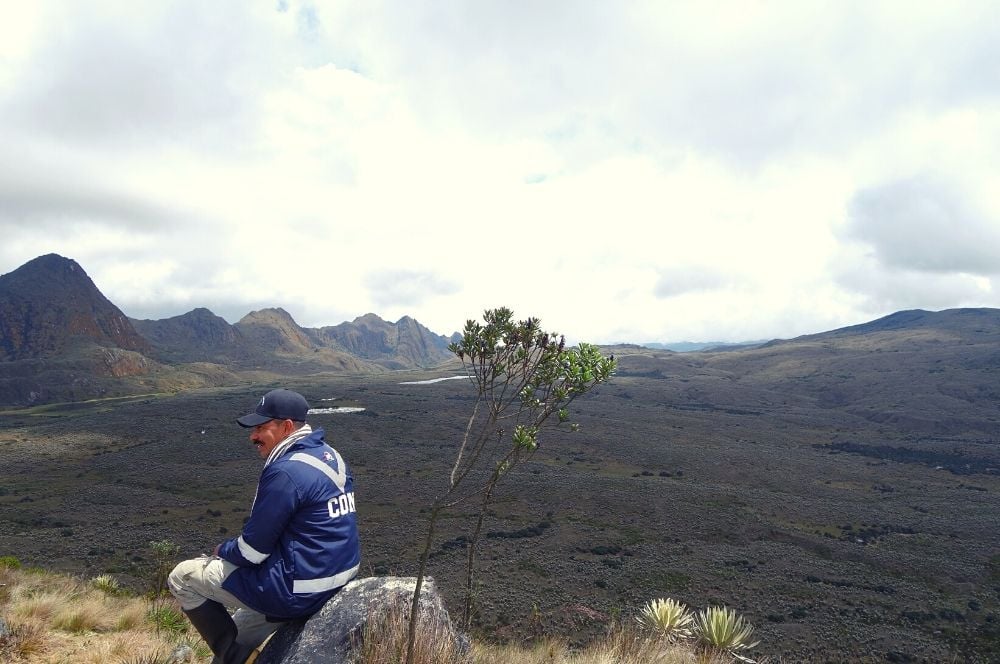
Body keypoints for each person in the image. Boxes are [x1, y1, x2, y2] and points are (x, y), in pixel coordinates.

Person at [168, 389, 360, 664]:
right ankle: (235, 652)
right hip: (334, 579)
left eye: (261, 427)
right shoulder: (331, 455)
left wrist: (222, 550)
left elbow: (252, 552)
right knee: (238, 633)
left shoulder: (285, 471)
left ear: (287, 426)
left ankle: (239, 658)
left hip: (297, 591)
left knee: (182, 576)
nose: (253, 436)